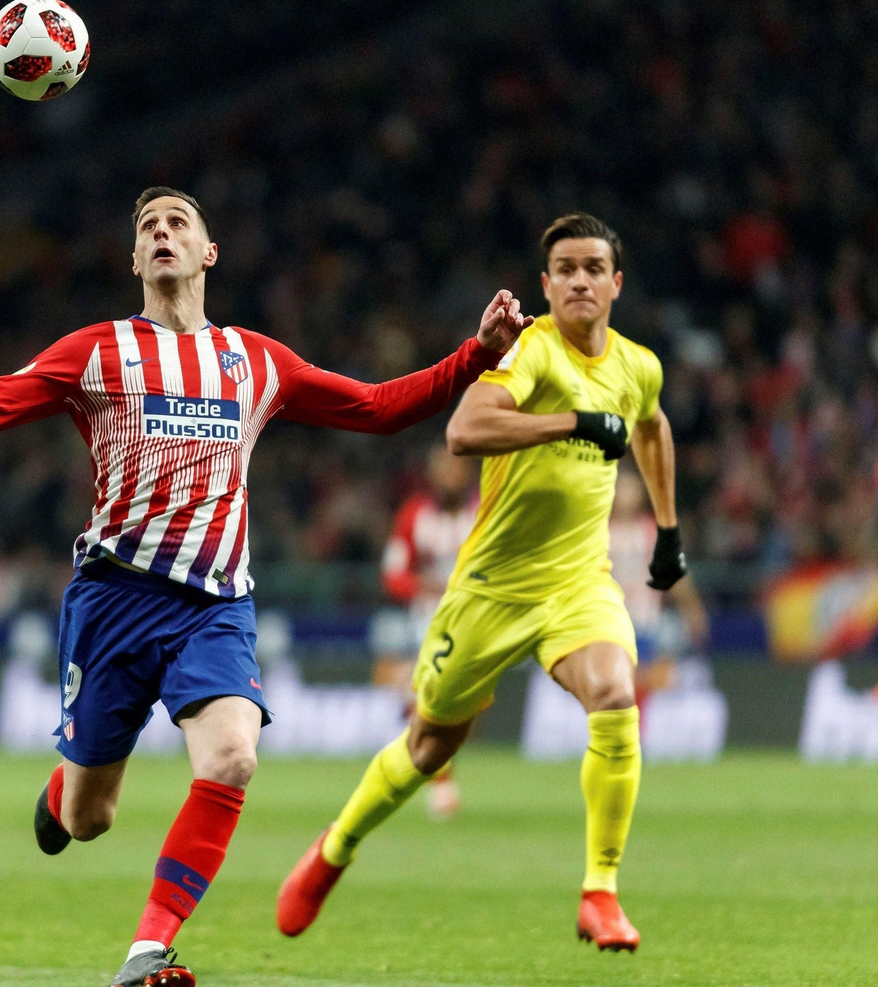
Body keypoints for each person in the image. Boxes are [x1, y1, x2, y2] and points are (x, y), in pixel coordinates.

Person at [0, 187, 532, 987]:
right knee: (88, 818)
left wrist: (478, 353)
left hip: (214, 604)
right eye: (148, 227)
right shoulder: (97, 351)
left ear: (209, 253)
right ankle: (67, 781)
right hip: (114, 601)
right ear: (135, 260)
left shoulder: (256, 361)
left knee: (234, 757)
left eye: (179, 223)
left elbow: (378, 408)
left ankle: (147, 951)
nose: (163, 232)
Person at [277, 213, 685, 953]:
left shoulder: (638, 366)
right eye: (565, 269)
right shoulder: (530, 353)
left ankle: (601, 891)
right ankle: (335, 847)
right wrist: (570, 424)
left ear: (616, 283)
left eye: (594, 268)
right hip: (489, 591)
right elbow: (462, 432)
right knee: (430, 746)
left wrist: (669, 528)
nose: (581, 280)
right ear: (546, 285)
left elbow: (651, 427)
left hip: (577, 584)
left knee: (617, 694)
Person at [378, 444, 478, 818]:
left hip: (477, 622)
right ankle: (439, 781)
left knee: (456, 706)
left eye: (456, 469)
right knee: (426, 699)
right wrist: (423, 587)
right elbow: (392, 573)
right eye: (443, 470)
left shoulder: (485, 511)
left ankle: (429, 766)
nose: (450, 476)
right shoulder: (414, 514)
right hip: (426, 622)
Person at [608, 470, 707, 704]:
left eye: (631, 487)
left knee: (643, 683)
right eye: (621, 488)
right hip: (613, 623)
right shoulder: (601, 531)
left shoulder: (651, 531)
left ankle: (641, 730)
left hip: (645, 620)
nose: (626, 494)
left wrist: (692, 609)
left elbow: (675, 575)